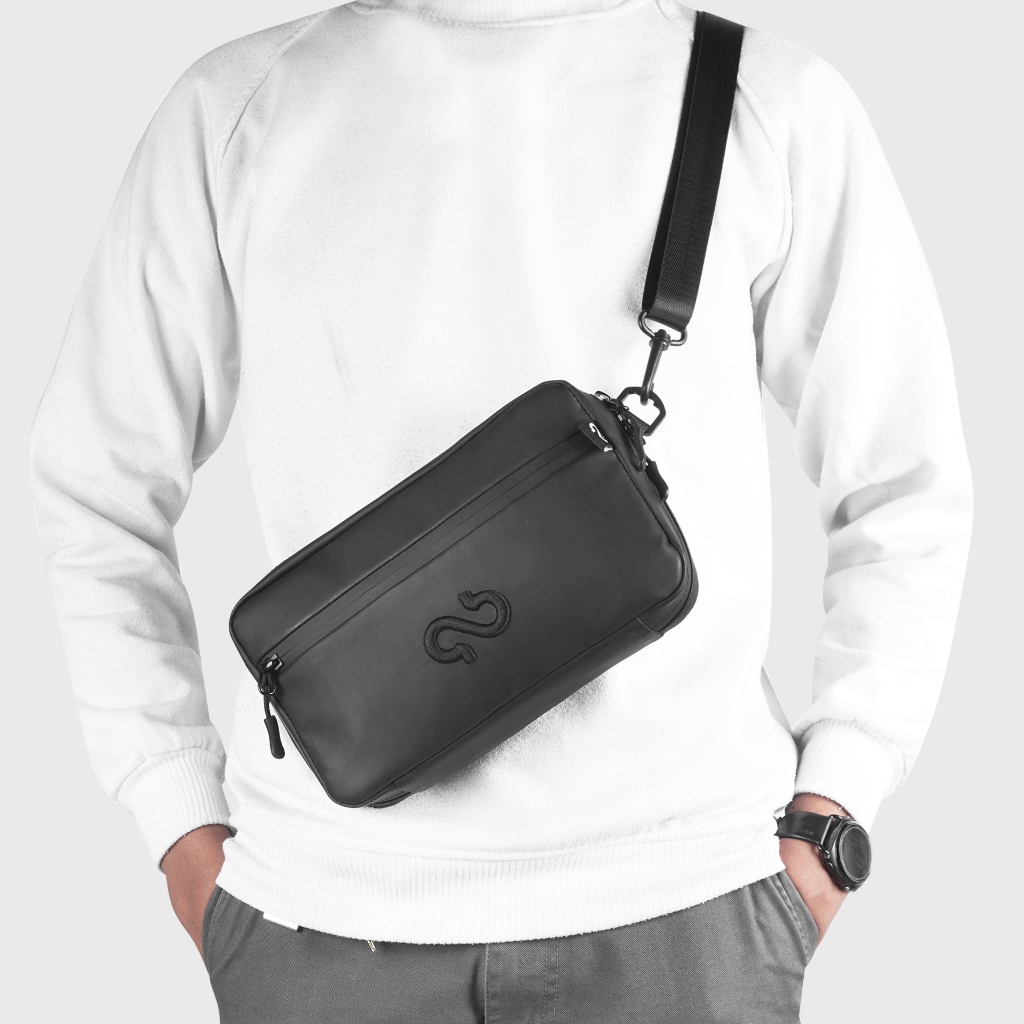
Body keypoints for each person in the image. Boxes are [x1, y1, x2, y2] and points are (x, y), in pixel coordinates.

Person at [29, 1, 972, 1021]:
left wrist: (834, 813)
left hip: (695, 905)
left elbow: (903, 481)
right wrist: (174, 815)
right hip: (319, 917)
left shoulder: (766, 99)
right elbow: (95, 483)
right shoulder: (232, 109)